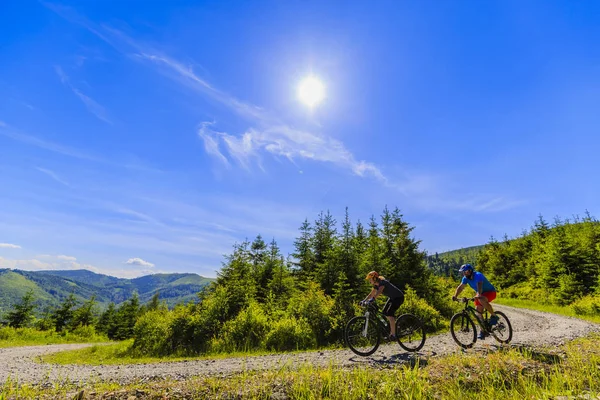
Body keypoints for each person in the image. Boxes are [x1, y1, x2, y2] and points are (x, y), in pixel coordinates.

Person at [452, 263, 499, 339]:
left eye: (466, 271)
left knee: (481, 299)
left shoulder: (478, 275)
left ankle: (494, 316)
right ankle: (483, 330)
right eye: (463, 272)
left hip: (490, 292)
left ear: (470, 271)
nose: (464, 273)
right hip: (480, 294)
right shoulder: (465, 278)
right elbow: (460, 288)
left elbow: (479, 286)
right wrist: (455, 296)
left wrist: (478, 294)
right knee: (478, 311)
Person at [360, 271, 405, 340]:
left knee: (390, 313)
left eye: (370, 279)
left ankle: (393, 335)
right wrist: (364, 300)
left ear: (374, 278)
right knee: (384, 312)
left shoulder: (382, 282)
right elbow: (371, 294)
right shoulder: (376, 285)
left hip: (399, 297)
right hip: (393, 298)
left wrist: (373, 299)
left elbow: (379, 291)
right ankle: (394, 326)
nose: (369, 281)